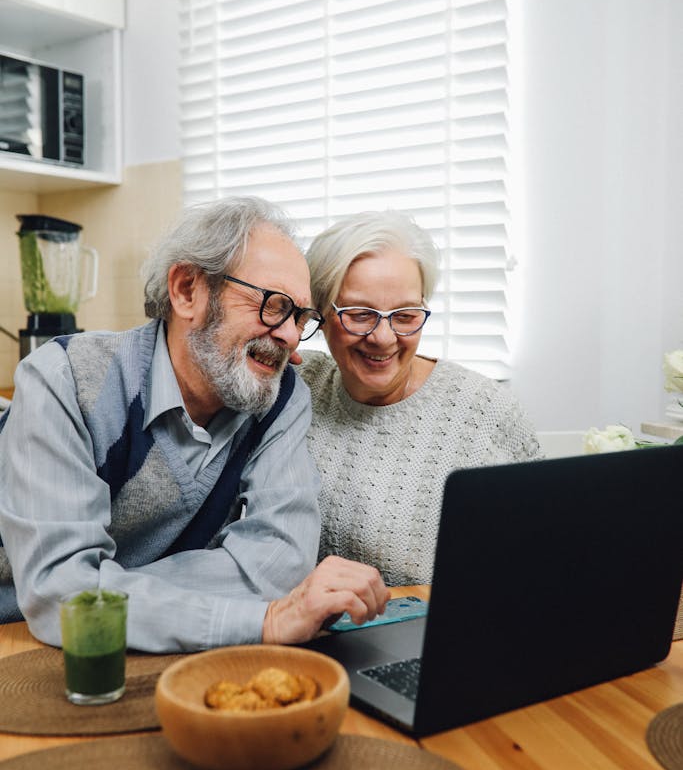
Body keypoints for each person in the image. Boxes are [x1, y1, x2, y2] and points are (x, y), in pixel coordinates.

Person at [0, 197, 388, 649]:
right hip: (18, 636)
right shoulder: (64, 378)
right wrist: (259, 620)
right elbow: (59, 597)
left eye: (300, 317)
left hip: (146, 646)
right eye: (273, 305)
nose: (288, 335)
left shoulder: (280, 396)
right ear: (187, 291)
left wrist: (106, 588)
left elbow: (281, 561)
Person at [298, 210, 541, 585]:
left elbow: (540, 551)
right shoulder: (297, 386)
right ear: (320, 314)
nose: (383, 337)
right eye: (360, 315)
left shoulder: (486, 411)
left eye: (406, 315)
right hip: (310, 630)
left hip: (439, 628)